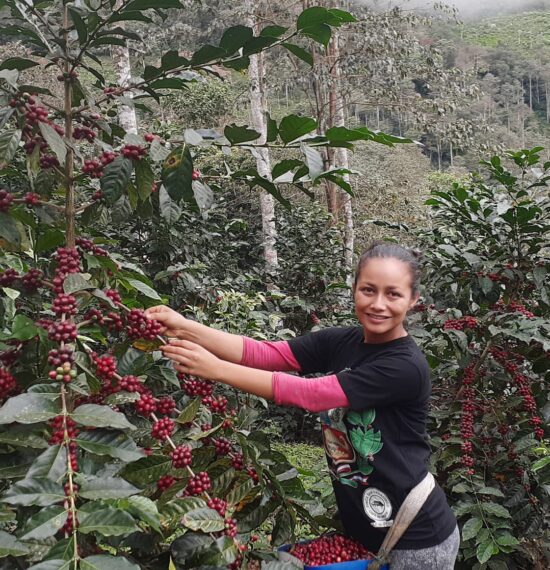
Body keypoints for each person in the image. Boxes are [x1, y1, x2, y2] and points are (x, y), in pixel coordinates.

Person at [145, 242, 460, 570]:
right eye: (368, 290)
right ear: (354, 290)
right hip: (368, 534)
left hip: (418, 540)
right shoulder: (343, 342)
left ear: (413, 300)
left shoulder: (404, 366)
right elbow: (267, 354)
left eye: (393, 294)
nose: (378, 304)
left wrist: (215, 369)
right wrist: (185, 326)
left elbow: (311, 394)